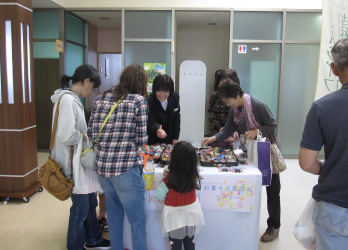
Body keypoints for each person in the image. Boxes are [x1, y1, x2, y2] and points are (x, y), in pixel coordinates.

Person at [201, 79, 281, 242]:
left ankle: (274, 226)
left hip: (265, 150)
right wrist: (212, 138)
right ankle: (246, 220)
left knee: (272, 189)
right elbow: (228, 130)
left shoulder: (257, 105)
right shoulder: (235, 110)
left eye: (228, 100)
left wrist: (257, 131)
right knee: (249, 183)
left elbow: (272, 125)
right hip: (249, 152)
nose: (228, 104)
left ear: (237, 94)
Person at [87, 64, 148, 250]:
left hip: (103, 170)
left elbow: (91, 133)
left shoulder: (100, 99)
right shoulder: (138, 100)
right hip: (126, 170)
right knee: (137, 222)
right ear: (140, 83)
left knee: (114, 219)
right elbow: (141, 139)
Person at [51, 64, 110, 250]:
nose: (92, 91)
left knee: (90, 202)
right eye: (92, 86)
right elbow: (66, 135)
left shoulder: (69, 98)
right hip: (73, 165)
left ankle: (93, 239)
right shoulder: (68, 100)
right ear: (86, 81)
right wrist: (85, 136)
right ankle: (74, 246)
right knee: (80, 210)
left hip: (78, 163)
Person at [299, 38, 348, 250]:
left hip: (335, 206)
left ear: (334, 69)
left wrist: (327, 166)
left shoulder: (322, 108)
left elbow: (307, 163)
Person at [156, 141, 205, 250]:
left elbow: (159, 196)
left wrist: (167, 174)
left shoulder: (168, 179)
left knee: (175, 246)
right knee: (190, 243)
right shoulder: (193, 176)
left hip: (174, 218)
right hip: (191, 214)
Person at [84, 108, 108, 232]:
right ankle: (101, 217)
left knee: (95, 196)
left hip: (90, 171)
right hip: (97, 170)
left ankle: (98, 217)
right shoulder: (91, 135)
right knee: (100, 195)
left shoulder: (85, 136)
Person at [208, 69, 240, 147]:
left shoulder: (238, 98)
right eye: (220, 81)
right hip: (217, 132)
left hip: (233, 133)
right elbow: (211, 115)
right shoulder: (214, 96)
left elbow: (239, 118)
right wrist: (220, 128)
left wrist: (233, 131)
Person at [147, 74, 180, 145]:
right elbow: (151, 121)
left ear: (170, 91)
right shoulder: (149, 100)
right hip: (154, 139)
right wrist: (158, 129)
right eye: (158, 91)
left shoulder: (175, 97)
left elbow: (176, 118)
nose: (162, 95)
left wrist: (175, 137)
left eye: (165, 91)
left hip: (170, 137)